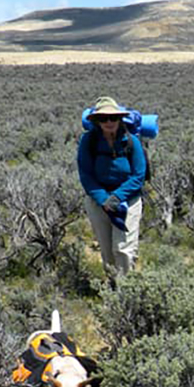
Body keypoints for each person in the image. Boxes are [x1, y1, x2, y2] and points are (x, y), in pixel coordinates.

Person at [76, 96, 147, 282]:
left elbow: (139, 175)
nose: (109, 122)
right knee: (107, 251)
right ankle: (113, 288)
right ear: (96, 121)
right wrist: (103, 200)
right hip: (98, 202)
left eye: (113, 118)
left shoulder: (132, 141)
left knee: (123, 249)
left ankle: (126, 292)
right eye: (103, 118)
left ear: (120, 119)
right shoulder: (88, 141)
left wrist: (116, 198)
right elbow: (86, 175)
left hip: (128, 200)